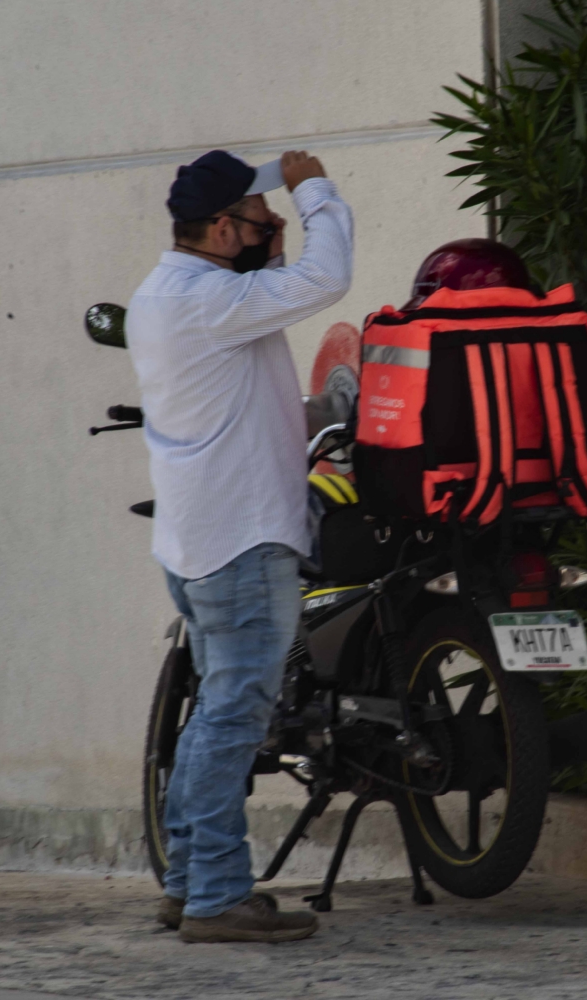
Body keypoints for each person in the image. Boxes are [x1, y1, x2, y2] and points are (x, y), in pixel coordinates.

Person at [126, 149, 353, 943]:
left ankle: (190, 884)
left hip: (198, 541)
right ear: (223, 230)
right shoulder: (212, 303)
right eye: (263, 220)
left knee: (214, 716)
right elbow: (326, 282)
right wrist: (315, 189)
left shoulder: (170, 293)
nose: (278, 224)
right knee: (231, 719)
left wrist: (275, 237)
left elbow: (278, 294)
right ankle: (218, 897)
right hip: (244, 544)